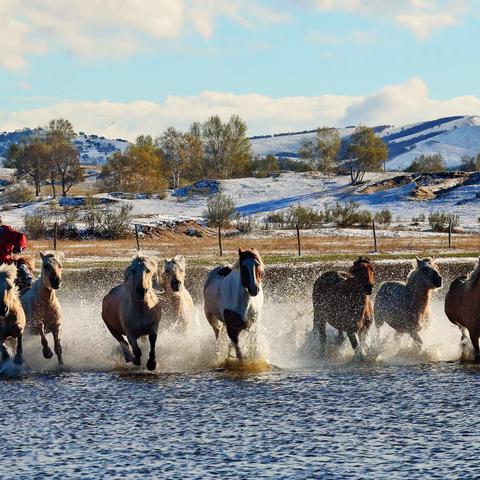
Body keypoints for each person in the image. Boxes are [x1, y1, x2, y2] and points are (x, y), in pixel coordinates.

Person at [0, 216, 33, 291]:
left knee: (22, 268)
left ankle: (28, 287)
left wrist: (19, 246)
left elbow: (21, 237)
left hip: (6, 262)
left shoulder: (6, 232)